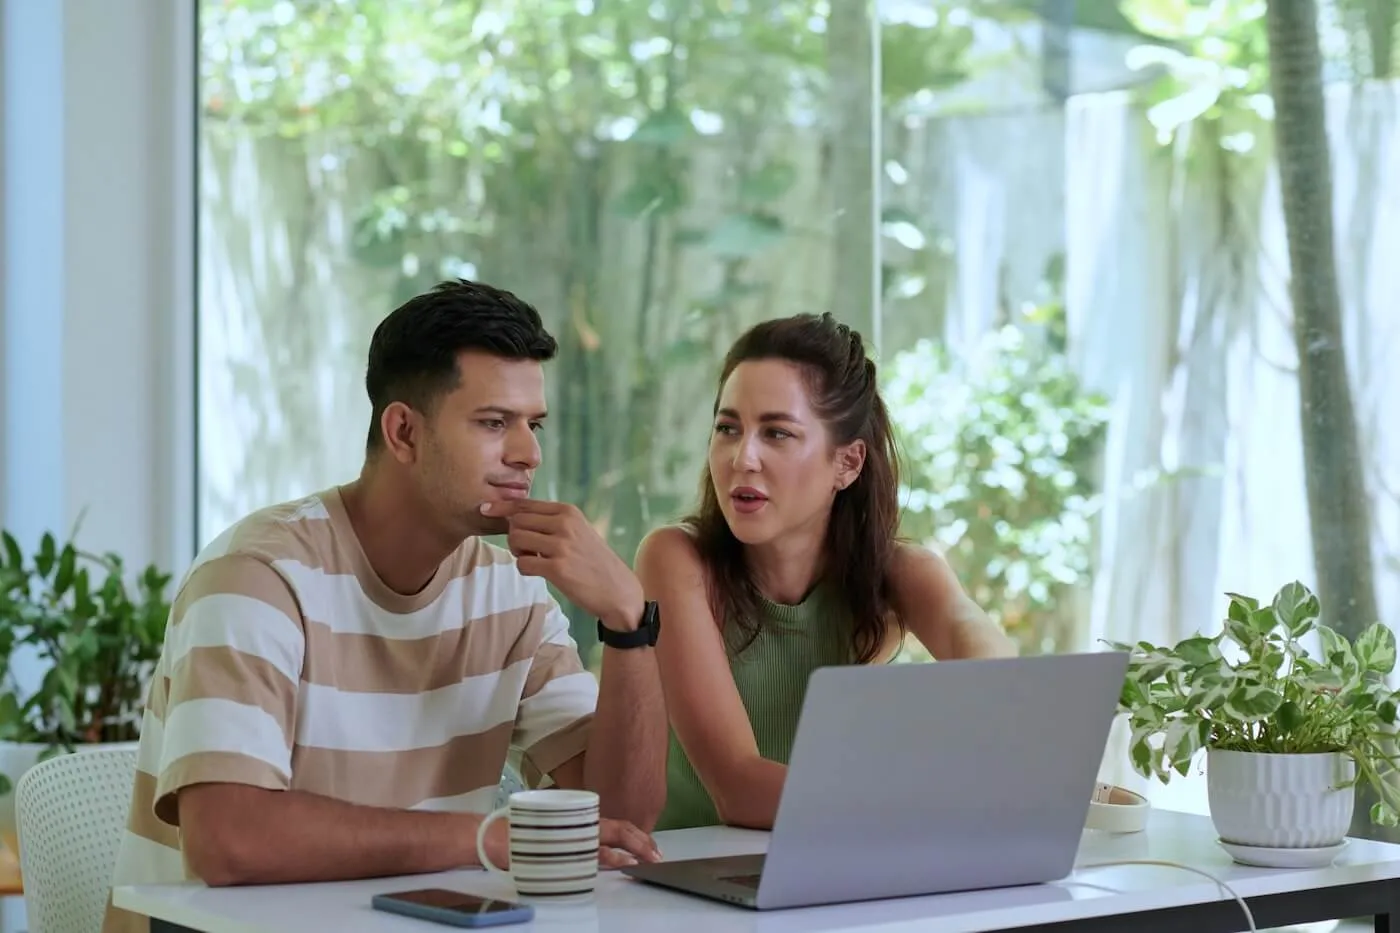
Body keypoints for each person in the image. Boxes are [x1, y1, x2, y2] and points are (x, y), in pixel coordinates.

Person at [104, 280, 668, 933]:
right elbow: (228, 837)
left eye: (533, 424)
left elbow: (620, 823)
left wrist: (629, 622)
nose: (529, 453)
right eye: (493, 422)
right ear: (402, 431)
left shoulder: (509, 590)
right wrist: (487, 837)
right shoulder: (257, 576)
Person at [636, 312, 1017, 832]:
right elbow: (738, 788)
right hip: (689, 879)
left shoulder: (898, 572)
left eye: (777, 433)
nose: (742, 458)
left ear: (848, 463)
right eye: (728, 428)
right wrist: (921, 801)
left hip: (830, 862)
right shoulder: (675, 560)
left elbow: (995, 668)